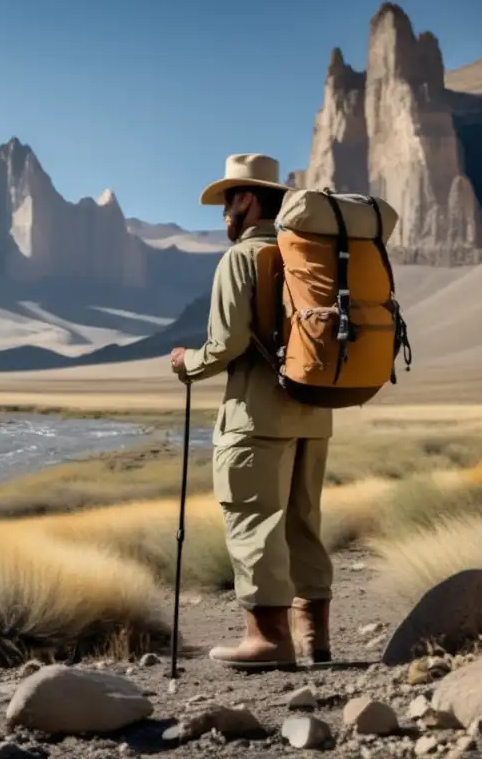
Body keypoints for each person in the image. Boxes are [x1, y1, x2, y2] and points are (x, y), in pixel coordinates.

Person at [169, 153, 334, 670]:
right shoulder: (310, 254)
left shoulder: (242, 259)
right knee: (303, 522)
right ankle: (316, 639)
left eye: (226, 202)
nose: (222, 214)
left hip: (257, 418)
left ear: (247, 199)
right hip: (314, 413)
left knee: (254, 520)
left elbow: (226, 344)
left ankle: (268, 639)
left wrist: (186, 363)